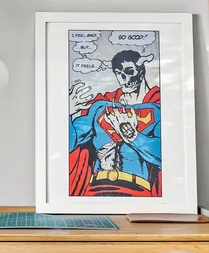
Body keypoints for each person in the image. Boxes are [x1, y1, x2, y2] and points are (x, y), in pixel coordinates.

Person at [69, 49, 161, 197]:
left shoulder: (157, 110)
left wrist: (135, 138)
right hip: (95, 190)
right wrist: (67, 112)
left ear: (141, 71)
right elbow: (68, 144)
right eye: (118, 73)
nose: (123, 78)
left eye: (129, 71)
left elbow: (168, 156)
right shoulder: (100, 108)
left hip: (137, 192)